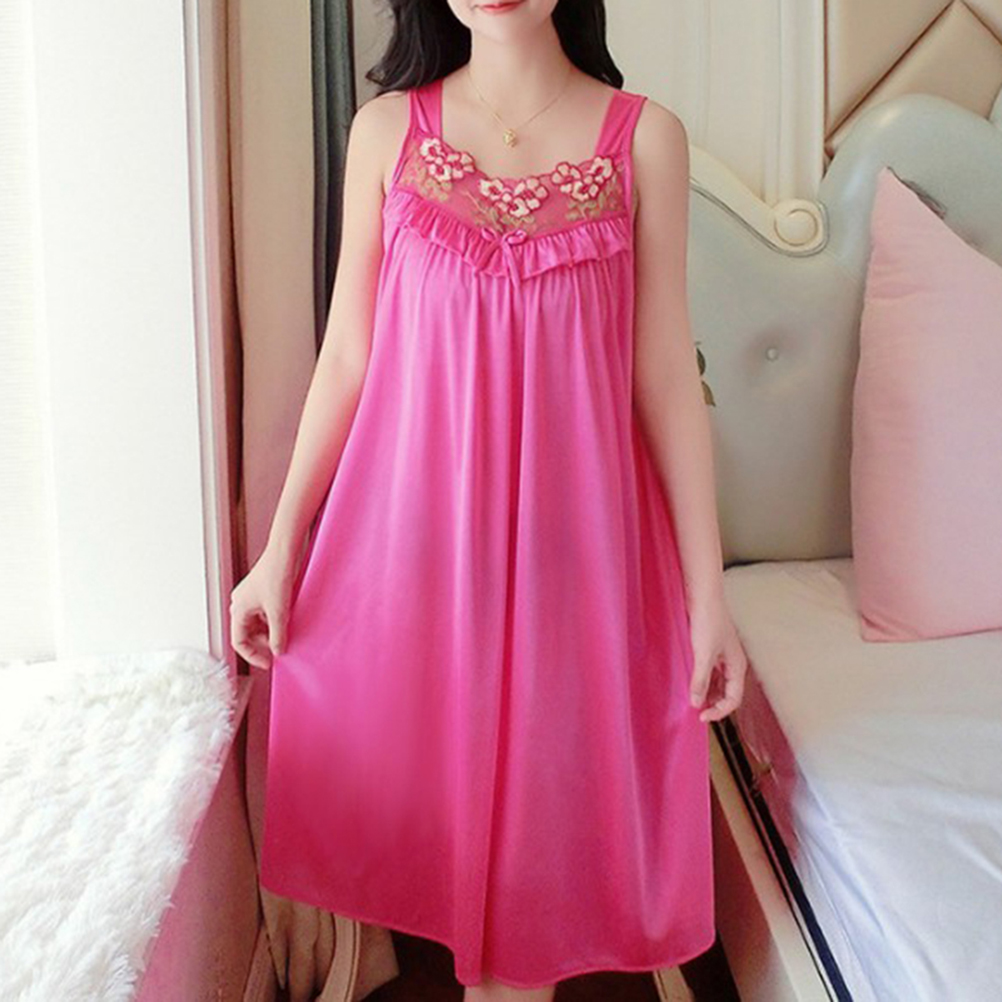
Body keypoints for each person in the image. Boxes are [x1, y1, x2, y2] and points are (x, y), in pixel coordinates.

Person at [230, 1, 749, 999]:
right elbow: (347, 359)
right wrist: (281, 547)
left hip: (576, 562)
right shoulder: (387, 132)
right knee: (432, 838)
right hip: (414, 554)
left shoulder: (645, 140)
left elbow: (662, 376)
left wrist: (708, 596)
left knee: (526, 914)